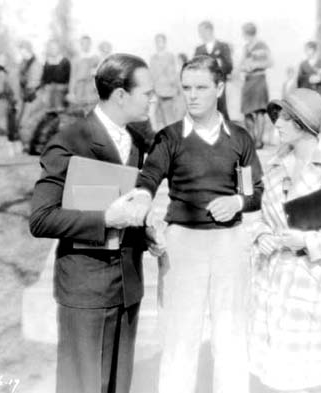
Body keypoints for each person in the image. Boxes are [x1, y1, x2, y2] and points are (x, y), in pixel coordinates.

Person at [127, 55, 263, 393]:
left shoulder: (239, 138)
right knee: (179, 339)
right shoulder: (169, 137)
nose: (192, 95)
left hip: (229, 244)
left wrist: (237, 201)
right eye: (186, 88)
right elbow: (148, 179)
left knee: (231, 338)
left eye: (201, 87)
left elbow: (254, 192)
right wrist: (143, 203)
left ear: (219, 88)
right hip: (183, 246)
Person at [29, 53, 155, 393]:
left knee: (118, 386)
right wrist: (105, 219)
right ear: (120, 95)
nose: (153, 100)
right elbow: (41, 218)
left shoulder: (139, 142)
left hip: (127, 288)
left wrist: (148, 234)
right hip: (86, 292)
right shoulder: (70, 141)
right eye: (148, 93)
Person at [248, 88, 321, 392]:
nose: (278, 123)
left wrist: (307, 241)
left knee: (314, 378)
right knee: (276, 377)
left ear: (304, 124)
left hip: (313, 280)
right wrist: (262, 235)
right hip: (273, 280)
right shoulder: (275, 169)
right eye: (278, 116)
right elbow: (263, 218)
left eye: (286, 118)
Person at [240, 22, 272, 149]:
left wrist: (256, 65)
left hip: (259, 79)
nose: (244, 36)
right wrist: (244, 67)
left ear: (249, 33)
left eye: (245, 33)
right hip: (248, 80)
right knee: (246, 111)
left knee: (259, 111)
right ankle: (252, 138)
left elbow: (270, 62)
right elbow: (241, 64)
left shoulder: (262, 45)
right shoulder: (246, 47)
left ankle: (259, 140)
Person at [195, 20, 233, 120]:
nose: (200, 35)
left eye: (201, 31)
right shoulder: (199, 50)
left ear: (209, 31)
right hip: (203, 86)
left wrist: (219, 65)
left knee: (221, 110)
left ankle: (226, 134)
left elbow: (229, 66)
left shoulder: (223, 46)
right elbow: (194, 68)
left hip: (218, 84)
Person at [150, 33, 184, 130]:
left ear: (165, 43)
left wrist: (175, 88)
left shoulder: (169, 56)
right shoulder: (153, 58)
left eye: (160, 42)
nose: (158, 44)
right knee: (157, 121)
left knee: (170, 120)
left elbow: (172, 75)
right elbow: (151, 75)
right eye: (157, 42)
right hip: (156, 93)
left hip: (167, 93)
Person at [16, 40, 43, 151]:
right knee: (23, 120)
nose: (20, 52)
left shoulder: (35, 64)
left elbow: (35, 81)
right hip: (25, 95)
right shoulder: (23, 63)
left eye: (22, 50)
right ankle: (26, 144)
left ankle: (28, 144)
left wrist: (30, 90)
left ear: (27, 49)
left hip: (33, 96)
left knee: (28, 120)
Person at [67, 35, 100, 113]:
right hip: (79, 88)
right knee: (79, 112)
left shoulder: (95, 58)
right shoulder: (75, 59)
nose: (86, 45)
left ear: (90, 44)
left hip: (91, 89)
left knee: (92, 112)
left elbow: (99, 76)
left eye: (87, 43)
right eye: (83, 43)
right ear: (81, 44)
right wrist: (71, 92)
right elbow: (72, 77)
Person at [41, 39, 71, 112]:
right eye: (51, 48)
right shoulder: (47, 62)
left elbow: (69, 77)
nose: (52, 50)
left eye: (54, 48)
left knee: (59, 107)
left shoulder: (65, 61)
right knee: (47, 106)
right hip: (49, 88)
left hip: (61, 88)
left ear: (58, 49)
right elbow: (44, 77)